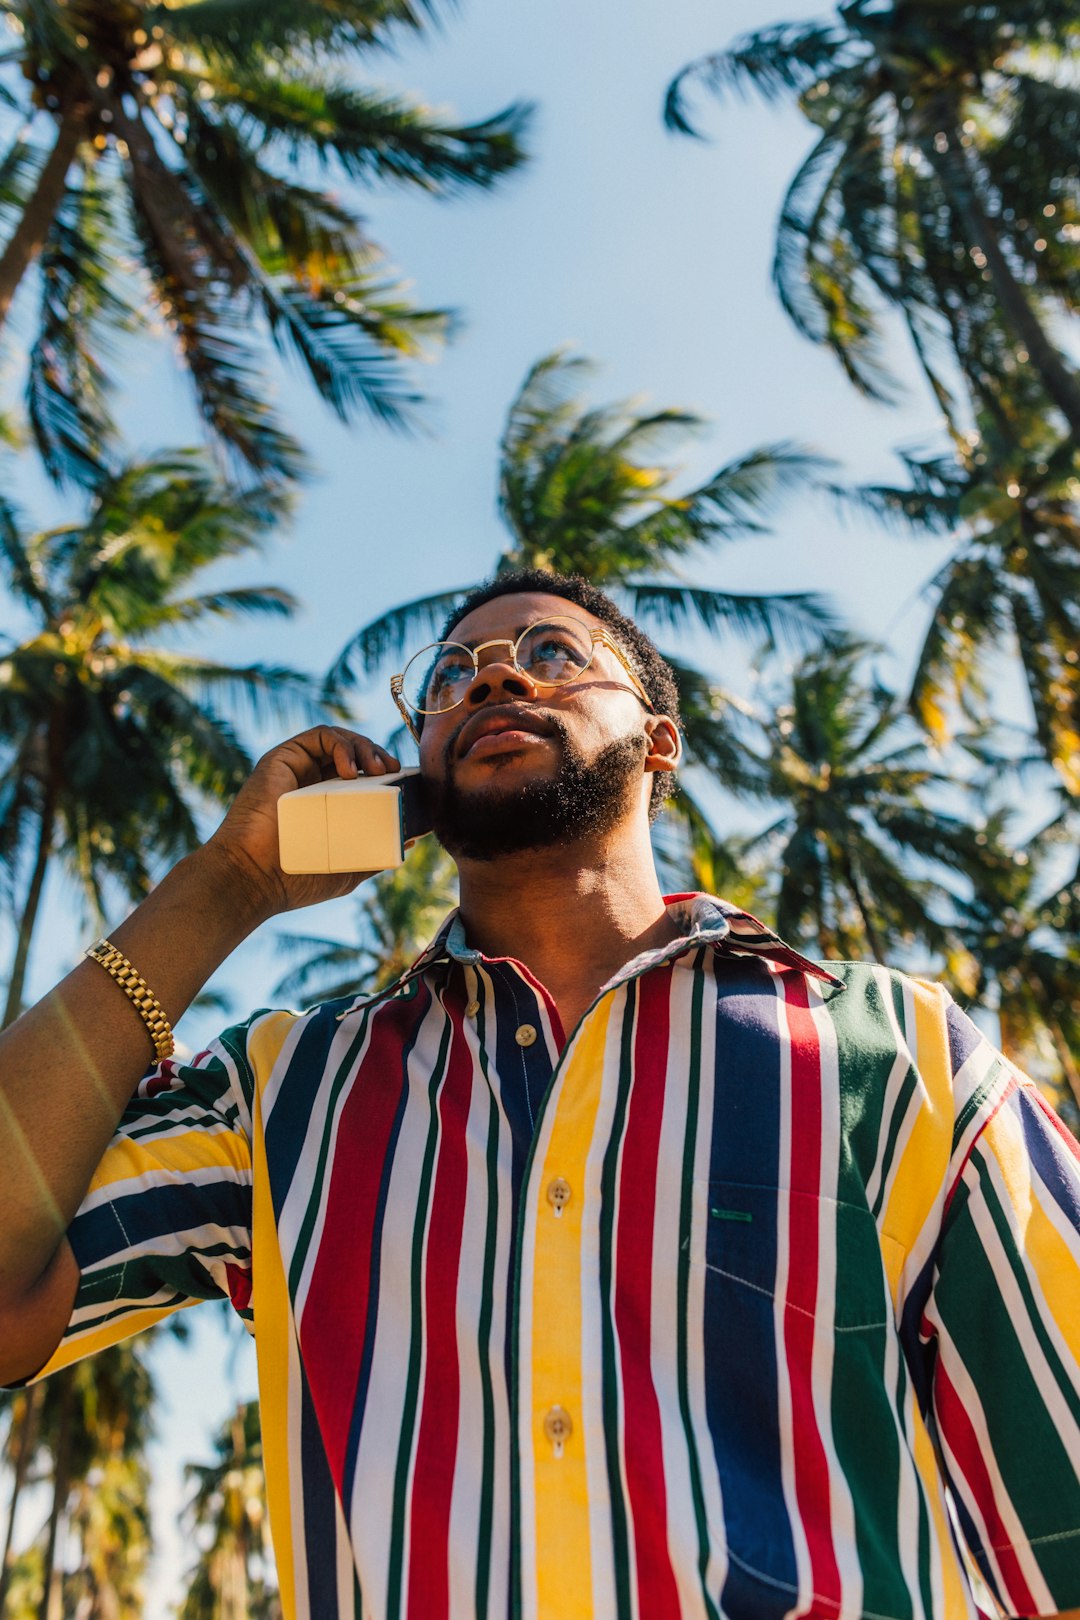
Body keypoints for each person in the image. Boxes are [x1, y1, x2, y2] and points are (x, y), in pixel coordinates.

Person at [1, 569, 1079, 1620]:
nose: (491, 682)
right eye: (453, 674)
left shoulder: (898, 1054)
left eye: (552, 654)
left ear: (660, 739)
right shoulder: (285, 1091)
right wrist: (229, 883)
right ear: (415, 777)